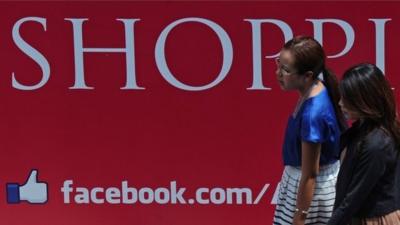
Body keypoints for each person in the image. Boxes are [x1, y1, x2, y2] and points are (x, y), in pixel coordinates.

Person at [273, 36, 347, 225]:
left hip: (310, 194)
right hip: (304, 187)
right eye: (278, 64)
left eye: (286, 70)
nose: (278, 73)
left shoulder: (313, 114)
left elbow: (310, 175)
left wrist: (299, 217)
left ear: (307, 75)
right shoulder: (315, 88)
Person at [328, 63, 400, 225]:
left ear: (364, 101)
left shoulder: (377, 144)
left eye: (347, 99)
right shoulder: (362, 129)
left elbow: (354, 197)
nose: (340, 103)